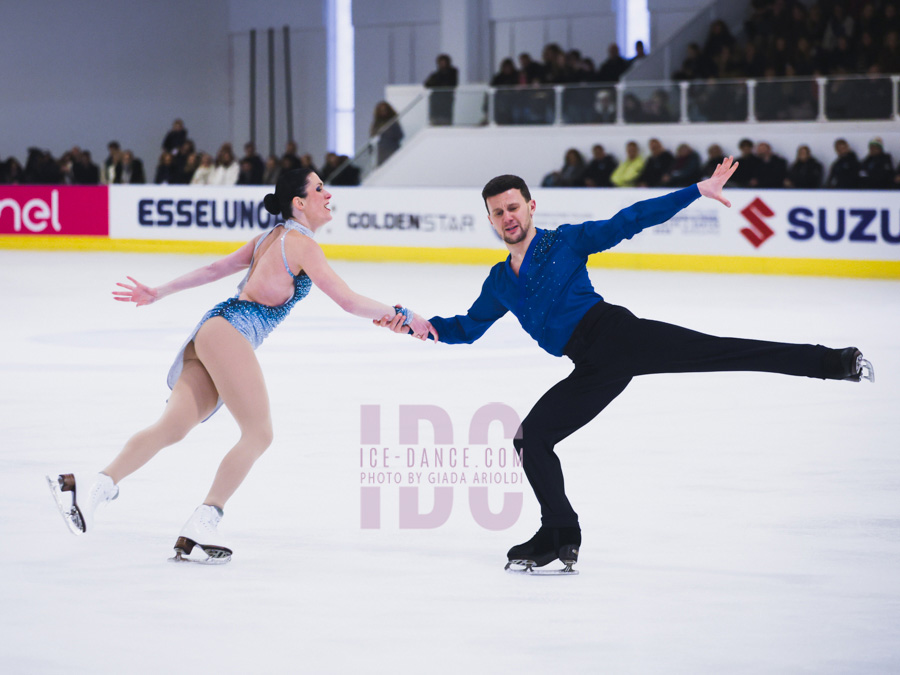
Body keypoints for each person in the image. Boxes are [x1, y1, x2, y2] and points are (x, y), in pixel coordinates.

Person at [376, 160, 873, 572]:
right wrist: (424, 325)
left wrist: (697, 190)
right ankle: (560, 533)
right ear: (489, 219)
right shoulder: (498, 282)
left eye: (513, 207)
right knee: (532, 439)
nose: (507, 217)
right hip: (591, 367)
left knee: (725, 349)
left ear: (531, 206)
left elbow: (631, 218)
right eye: (497, 212)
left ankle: (837, 363)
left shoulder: (565, 241)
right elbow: (468, 326)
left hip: (617, 335)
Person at [47, 168, 436, 563]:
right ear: (299, 203)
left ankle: (90, 487)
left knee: (173, 427)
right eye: (319, 188)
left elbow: (216, 270)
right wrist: (401, 313)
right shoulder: (300, 244)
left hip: (213, 329)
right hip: (229, 333)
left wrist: (160, 291)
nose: (328, 194)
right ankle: (204, 520)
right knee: (259, 433)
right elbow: (348, 301)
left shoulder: (271, 237)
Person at [424, 54, 459, 125]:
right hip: (436, 105)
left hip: (446, 104)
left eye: (444, 62)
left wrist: (438, 82)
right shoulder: (436, 74)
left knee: (445, 124)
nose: (442, 64)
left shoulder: (452, 72)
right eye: (441, 62)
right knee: (434, 123)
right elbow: (427, 84)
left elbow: (451, 83)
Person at [370, 101, 404, 166]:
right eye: (381, 110)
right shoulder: (376, 125)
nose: (383, 112)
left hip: (392, 149)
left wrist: (388, 133)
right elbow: (372, 137)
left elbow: (400, 135)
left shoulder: (393, 123)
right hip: (381, 151)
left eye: (385, 110)